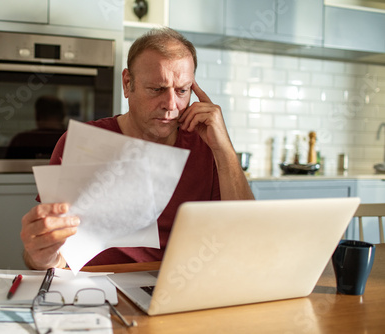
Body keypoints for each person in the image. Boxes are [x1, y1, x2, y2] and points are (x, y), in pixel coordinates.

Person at [21, 27, 255, 270]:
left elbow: (247, 238)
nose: (171, 105)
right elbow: (52, 257)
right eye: (157, 89)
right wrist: (42, 256)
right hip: (97, 287)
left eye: (182, 90)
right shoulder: (79, 144)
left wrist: (224, 149)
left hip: (180, 286)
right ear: (127, 83)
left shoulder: (207, 147)